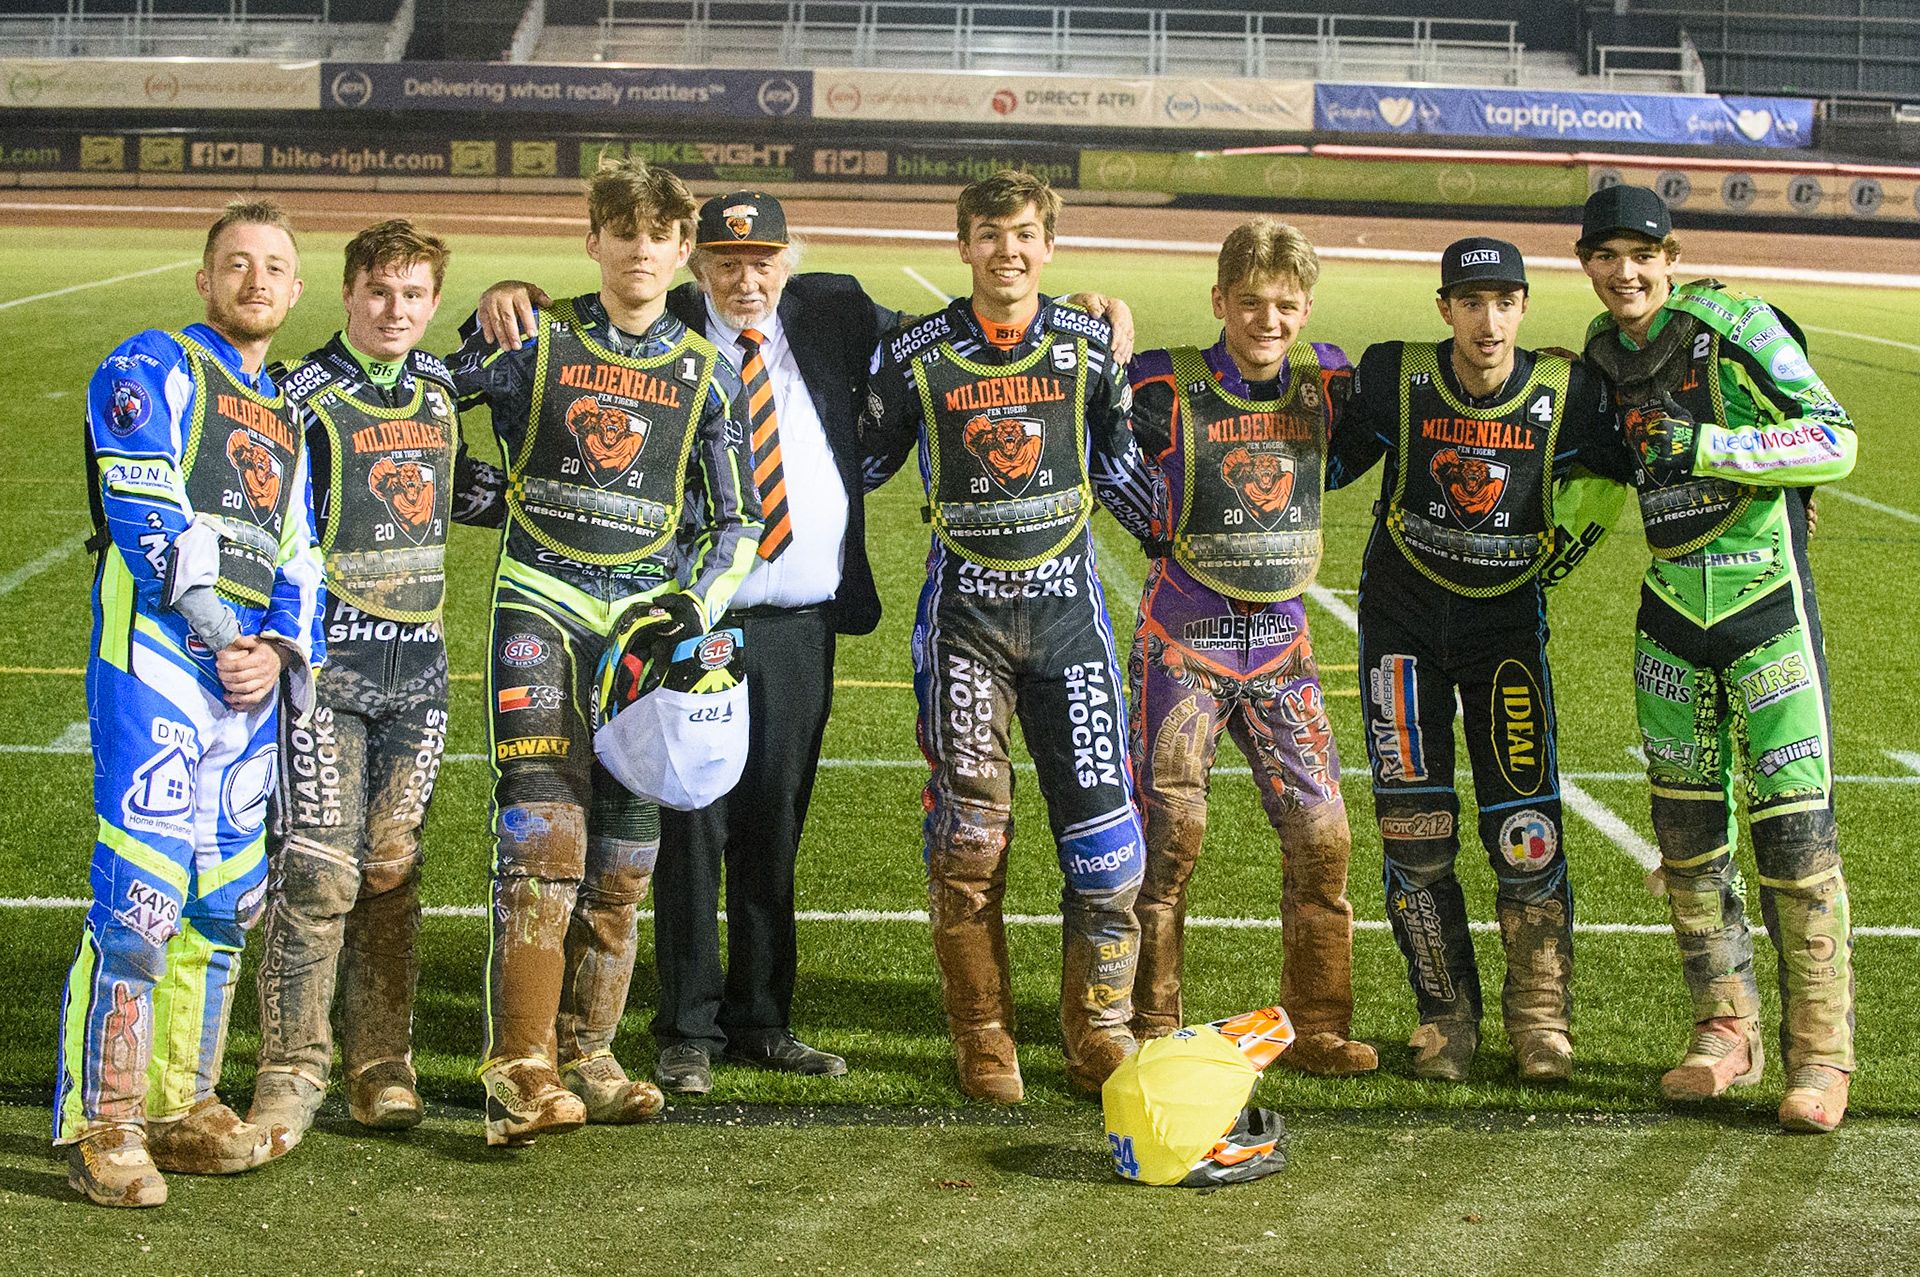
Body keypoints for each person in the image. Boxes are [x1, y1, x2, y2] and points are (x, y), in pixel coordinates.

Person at [473, 191, 1135, 1097]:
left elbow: (965, 327)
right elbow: (582, 313)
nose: (747, 279)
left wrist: (1091, 312)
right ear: (696, 265)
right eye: (726, 262)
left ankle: (763, 1017)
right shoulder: (660, 325)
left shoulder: (834, 310)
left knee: (774, 822)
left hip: (800, 616)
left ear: (790, 261)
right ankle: (686, 1029)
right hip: (691, 612)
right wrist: (511, 288)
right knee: (689, 823)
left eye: (764, 261)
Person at [447, 157, 761, 1146]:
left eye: (661, 236)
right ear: (593, 239)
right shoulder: (532, 334)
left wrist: (689, 616)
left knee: (626, 857)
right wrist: (483, 495)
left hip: (643, 645)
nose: (641, 250)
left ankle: (590, 1050)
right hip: (540, 609)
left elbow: (739, 522)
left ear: (684, 251)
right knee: (542, 836)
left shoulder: (707, 371)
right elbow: (416, 413)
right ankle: (518, 1062)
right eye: (621, 232)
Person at [862, 170, 1156, 1102]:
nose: (1008, 252)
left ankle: (1098, 1031)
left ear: (1050, 245)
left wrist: (1196, 549)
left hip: (1072, 621)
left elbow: (1128, 469)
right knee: (969, 843)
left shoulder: (1086, 344)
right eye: (990, 235)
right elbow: (856, 461)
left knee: (1107, 845)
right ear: (963, 246)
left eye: (1025, 234)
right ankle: (984, 1035)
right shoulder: (915, 352)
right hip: (965, 629)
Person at [56, 199, 325, 1207]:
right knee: (142, 896)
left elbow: (301, 549)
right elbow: (143, 505)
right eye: (237, 263)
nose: (257, 280)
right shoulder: (152, 363)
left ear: (296, 292)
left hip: (247, 681)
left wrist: (282, 648)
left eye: (275, 267)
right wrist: (226, 638)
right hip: (162, 656)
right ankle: (106, 1121)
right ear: (206, 280)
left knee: (223, 898)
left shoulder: (288, 412)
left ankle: (183, 1102)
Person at [1575, 184, 1858, 1132]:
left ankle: (1821, 1060)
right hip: (1669, 617)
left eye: (1642, 253)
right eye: (1607, 256)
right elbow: (1605, 472)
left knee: (1794, 840)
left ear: (1673, 253)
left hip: (1765, 606)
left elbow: (1833, 436)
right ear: (1587, 265)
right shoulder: (1602, 352)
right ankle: (1724, 1032)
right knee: (1689, 844)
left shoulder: (1733, 319)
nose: (1627, 272)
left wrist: (1716, 444)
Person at [1327, 237, 1627, 1083]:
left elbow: (1642, 462)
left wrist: (1798, 491)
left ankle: (1540, 1022)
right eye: (1471, 301)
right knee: (1415, 833)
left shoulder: (1569, 394)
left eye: (1504, 300)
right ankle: (1444, 1015)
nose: (1487, 320)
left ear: (1525, 306)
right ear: (1444, 307)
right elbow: (1328, 464)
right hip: (1402, 637)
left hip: (1505, 643)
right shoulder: (1396, 375)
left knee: (1525, 835)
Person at [249, 220, 490, 1148]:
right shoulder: (299, 390)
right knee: (315, 871)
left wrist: (547, 501)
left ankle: (380, 1065)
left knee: (392, 870)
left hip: (419, 670)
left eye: (415, 295)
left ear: (433, 303)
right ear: (347, 294)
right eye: (380, 292)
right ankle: (292, 1069)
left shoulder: (436, 383)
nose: (397, 310)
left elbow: (451, 486)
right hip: (325, 669)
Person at [1121, 217, 1375, 1076]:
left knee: (1323, 834)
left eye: (1287, 305)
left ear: (1307, 309)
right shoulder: (1163, 382)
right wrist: (1090, 318)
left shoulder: (1330, 382)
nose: (1270, 320)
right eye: (1252, 303)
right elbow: (1077, 406)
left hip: (1281, 648)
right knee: (1170, 833)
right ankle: (1149, 1024)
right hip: (1183, 643)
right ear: (1220, 300)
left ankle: (1319, 1025)